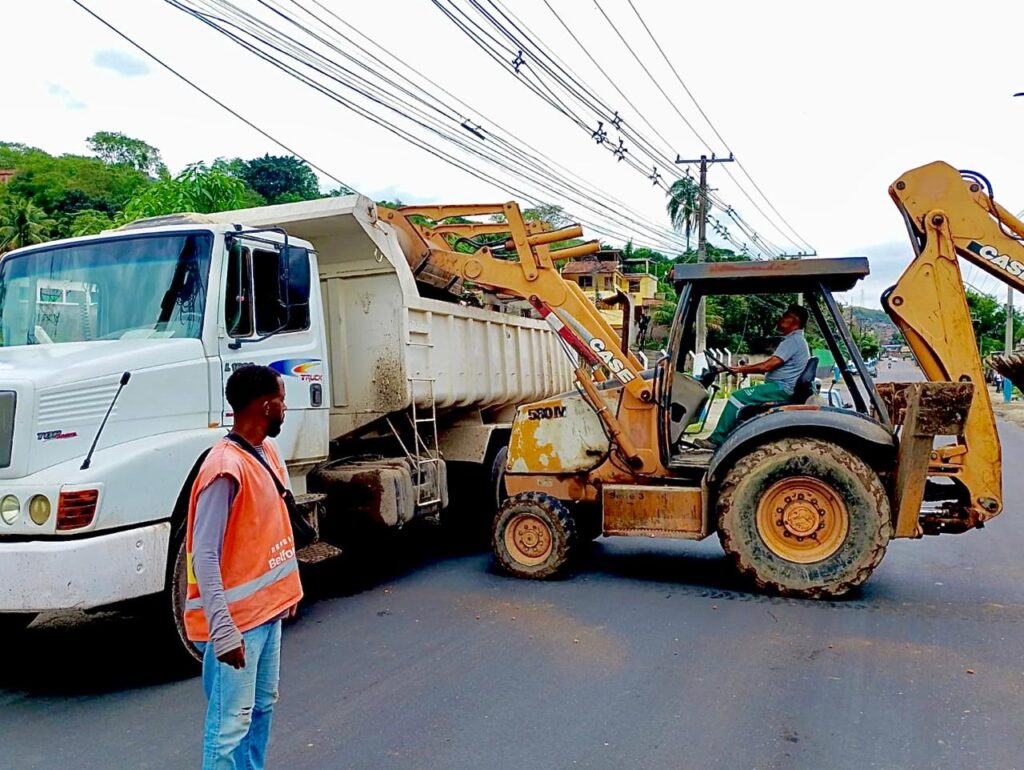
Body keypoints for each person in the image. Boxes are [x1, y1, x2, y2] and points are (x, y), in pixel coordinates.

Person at [184, 364, 302, 770]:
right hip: (236, 625)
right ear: (267, 406)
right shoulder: (223, 469)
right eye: (282, 401)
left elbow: (271, 529)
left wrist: (287, 593)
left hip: (266, 614)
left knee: (260, 710)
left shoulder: (265, 452)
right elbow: (205, 555)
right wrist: (222, 629)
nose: (286, 408)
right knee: (229, 726)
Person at [698, 304, 811, 448]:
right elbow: (767, 368)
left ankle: (716, 439)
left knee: (737, 397)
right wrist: (741, 369)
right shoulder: (794, 341)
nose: (780, 318)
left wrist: (740, 370)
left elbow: (767, 366)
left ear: (794, 320)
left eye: (785, 315)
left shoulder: (793, 341)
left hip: (781, 388)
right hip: (779, 386)